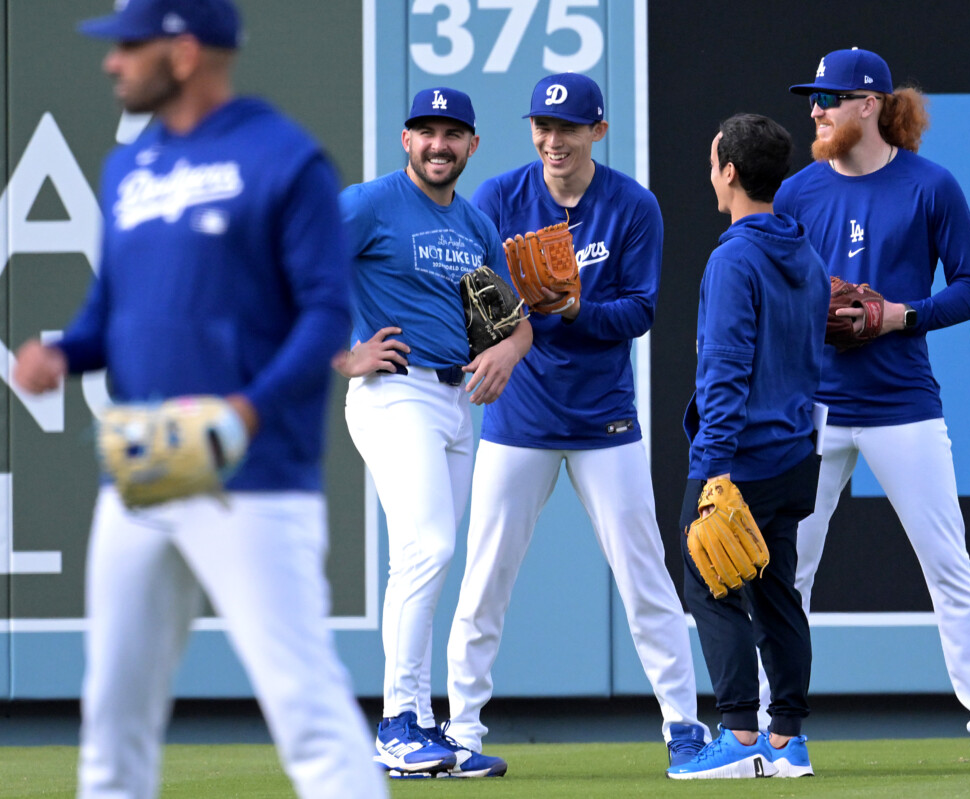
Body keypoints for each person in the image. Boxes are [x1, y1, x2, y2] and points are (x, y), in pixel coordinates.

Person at [12, 2, 387, 797]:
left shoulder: (284, 158)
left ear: (183, 53)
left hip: (251, 477)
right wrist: (63, 353)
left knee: (306, 707)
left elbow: (324, 310)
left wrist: (248, 410)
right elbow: (110, 312)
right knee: (111, 719)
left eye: (129, 47)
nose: (112, 63)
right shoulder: (131, 167)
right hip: (146, 468)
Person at [766, 47, 970, 771]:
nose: (814, 109)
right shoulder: (796, 195)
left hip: (900, 402)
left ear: (870, 104)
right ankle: (772, 723)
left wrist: (899, 316)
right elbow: (775, 294)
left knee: (948, 563)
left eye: (828, 97)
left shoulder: (930, 186)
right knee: (789, 570)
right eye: (812, 97)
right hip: (811, 407)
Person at [444, 72, 709, 768]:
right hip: (519, 416)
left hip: (602, 419)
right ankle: (464, 727)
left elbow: (641, 312)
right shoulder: (501, 196)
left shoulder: (632, 205)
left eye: (568, 127)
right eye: (543, 126)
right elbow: (474, 298)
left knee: (645, 574)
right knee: (484, 579)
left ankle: (683, 723)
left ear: (598, 131)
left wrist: (572, 309)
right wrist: (515, 318)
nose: (552, 139)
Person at [335, 86, 531, 778]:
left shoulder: (474, 226)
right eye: (426, 131)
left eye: (452, 134)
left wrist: (508, 349)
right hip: (393, 390)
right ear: (404, 139)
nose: (438, 144)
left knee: (418, 560)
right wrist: (343, 355)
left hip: (453, 402)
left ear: (473, 145)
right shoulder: (370, 202)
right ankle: (395, 722)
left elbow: (514, 322)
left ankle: (417, 726)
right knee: (431, 545)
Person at [665, 114, 828, 780]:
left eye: (713, 162)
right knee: (778, 592)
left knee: (712, 584)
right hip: (794, 455)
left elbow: (725, 369)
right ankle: (787, 739)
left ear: (729, 172)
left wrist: (712, 473)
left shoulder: (734, 256)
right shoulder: (808, 252)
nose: (711, 173)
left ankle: (737, 732)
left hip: (743, 457)